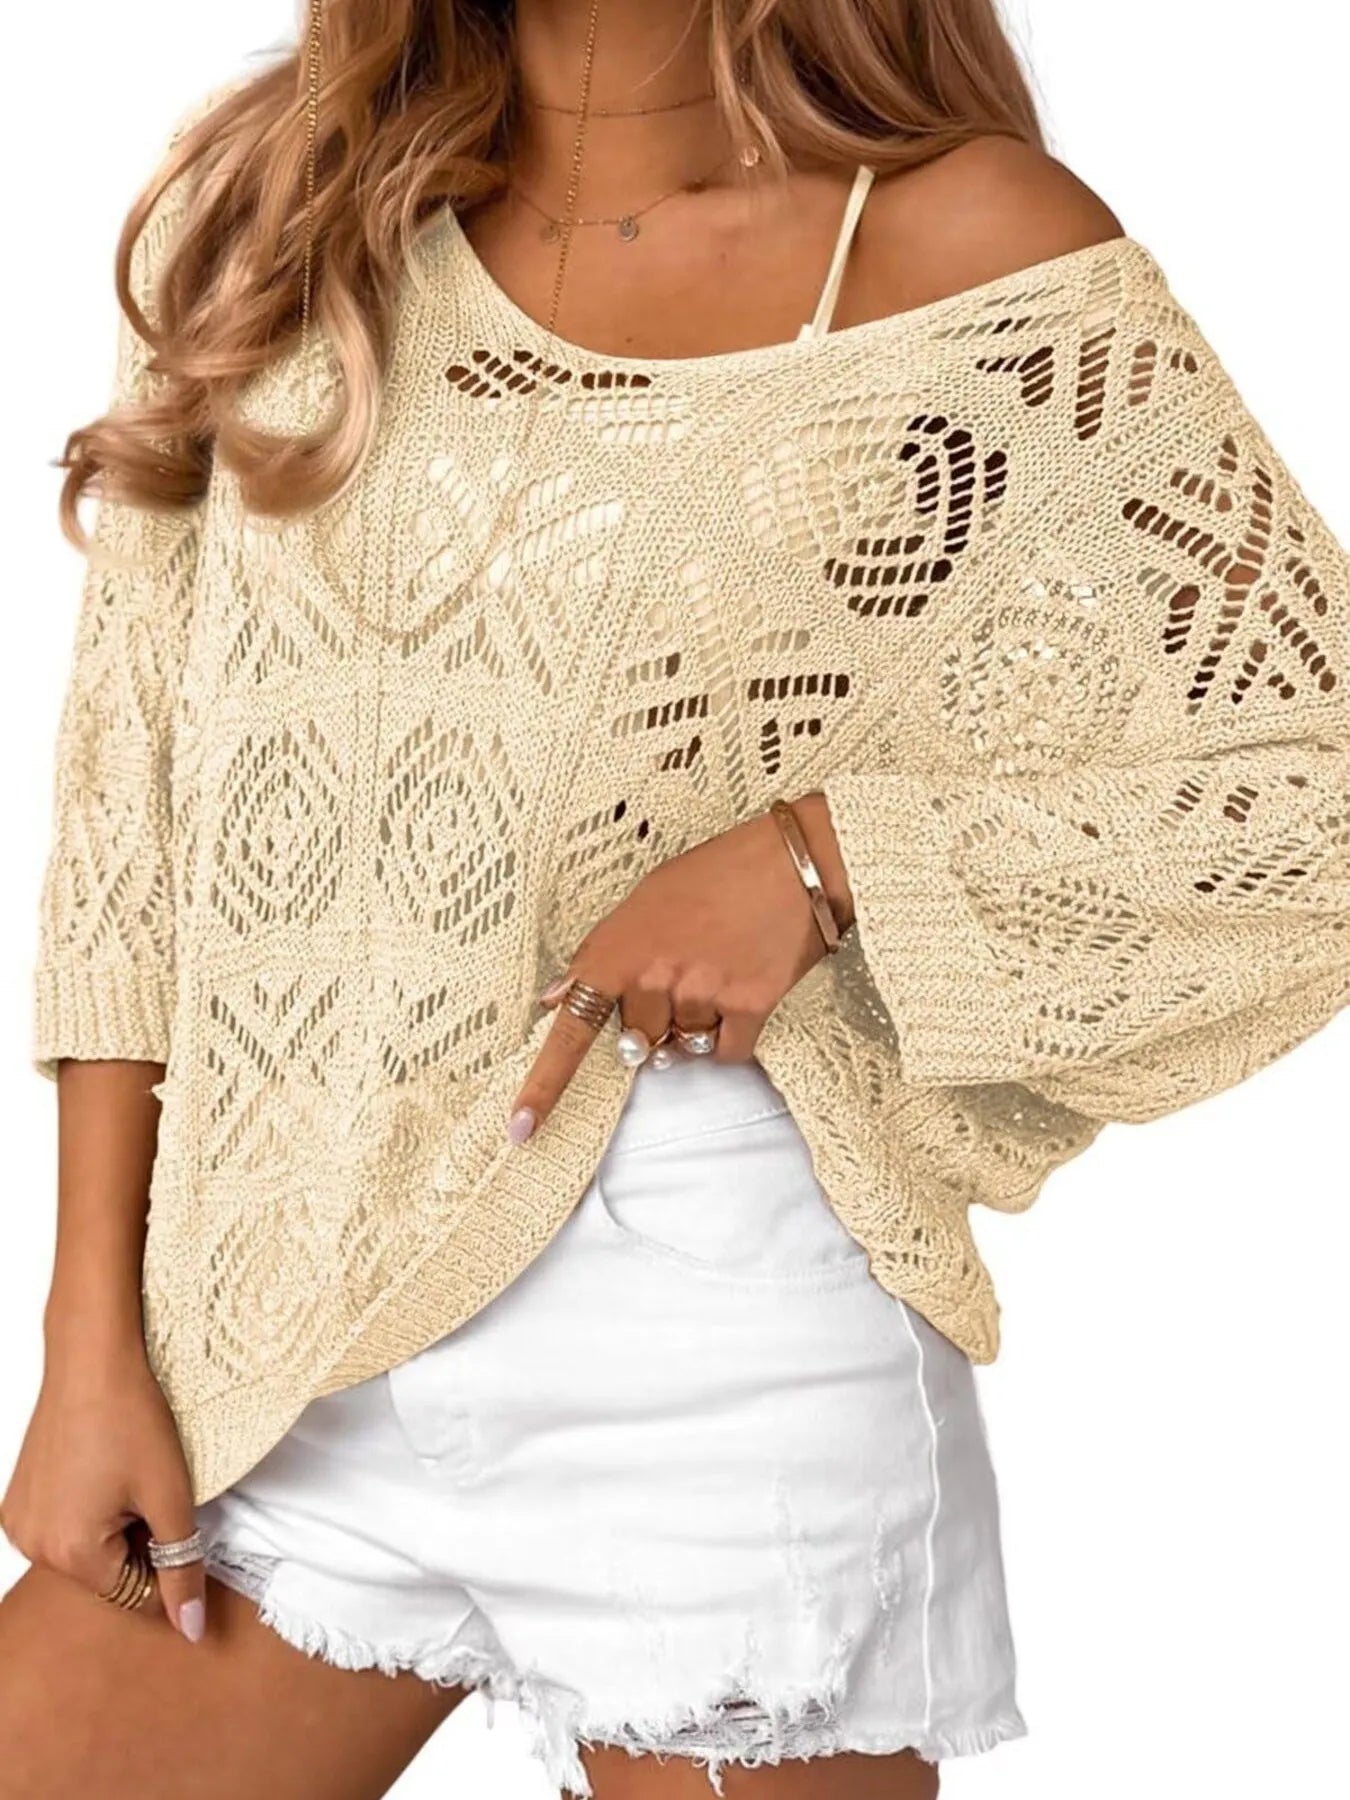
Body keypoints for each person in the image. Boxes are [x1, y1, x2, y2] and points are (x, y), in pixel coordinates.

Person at [2, 2, 1347, 1796]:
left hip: (717, 1349)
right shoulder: (274, 216)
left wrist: (824, 857)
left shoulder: (959, 242)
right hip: (272, 1334)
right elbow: (129, 825)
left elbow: (1307, 784)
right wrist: (86, 1339)